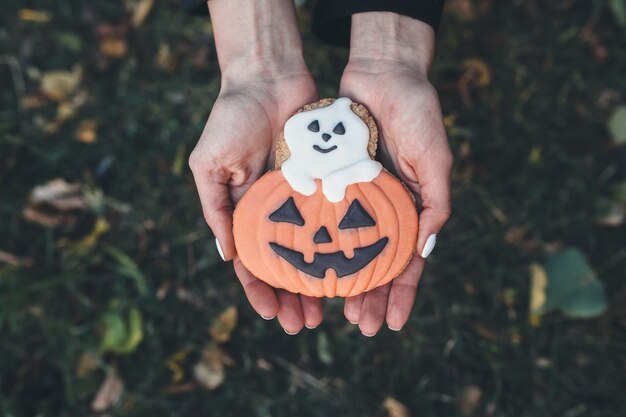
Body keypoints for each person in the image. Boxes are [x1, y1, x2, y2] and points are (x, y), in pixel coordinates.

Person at [186, 0, 452, 337]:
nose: (323, 238)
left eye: (356, 217)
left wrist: (391, 56)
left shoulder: (365, 175)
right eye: (288, 213)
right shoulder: (286, 178)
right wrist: (254, 75)